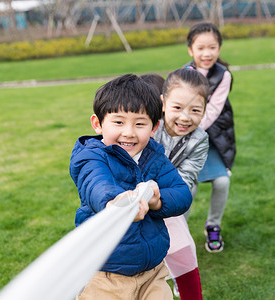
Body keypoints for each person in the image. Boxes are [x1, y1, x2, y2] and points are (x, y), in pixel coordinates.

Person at [69, 74, 192, 300]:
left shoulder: (154, 157)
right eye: (118, 122)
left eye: (139, 123)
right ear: (98, 124)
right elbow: (95, 183)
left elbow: (182, 193)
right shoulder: (91, 157)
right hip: (104, 274)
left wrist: (158, 201)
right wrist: (114, 202)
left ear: (154, 127)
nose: (128, 132)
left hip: (152, 272)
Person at [144, 69, 209, 300]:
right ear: (163, 103)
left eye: (195, 110)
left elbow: (186, 178)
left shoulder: (199, 139)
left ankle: (188, 292)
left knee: (183, 251)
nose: (185, 117)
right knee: (145, 255)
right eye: (177, 108)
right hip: (140, 199)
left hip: (172, 200)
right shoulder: (150, 126)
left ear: (204, 111)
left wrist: (160, 195)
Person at [184, 22, 236, 253]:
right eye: (201, 48)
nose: (207, 53)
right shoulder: (183, 75)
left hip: (213, 138)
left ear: (219, 48)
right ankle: (177, 231)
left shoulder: (223, 75)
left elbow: (213, 110)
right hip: (185, 139)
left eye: (212, 47)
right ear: (190, 50)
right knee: (188, 187)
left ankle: (213, 226)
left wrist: (194, 130)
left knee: (222, 181)